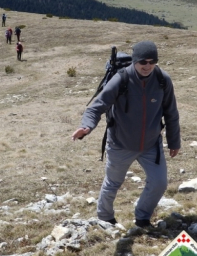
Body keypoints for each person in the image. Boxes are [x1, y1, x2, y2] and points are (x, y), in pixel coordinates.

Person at [71, 41, 180, 228]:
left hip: (151, 145)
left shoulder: (163, 80)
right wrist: (87, 127)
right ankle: (105, 218)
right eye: (143, 62)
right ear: (134, 61)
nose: (147, 66)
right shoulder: (121, 79)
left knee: (159, 183)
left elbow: (171, 112)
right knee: (113, 183)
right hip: (120, 144)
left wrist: (174, 141)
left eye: (152, 62)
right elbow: (95, 108)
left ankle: (143, 217)